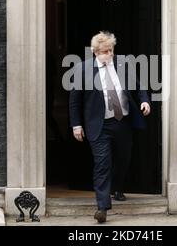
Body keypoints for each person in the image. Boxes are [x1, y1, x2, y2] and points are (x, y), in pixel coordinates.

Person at [69, 31, 151, 224]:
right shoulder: (83, 70)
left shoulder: (123, 63)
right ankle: (102, 207)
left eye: (111, 50)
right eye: (105, 51)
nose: (109, 55)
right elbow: (75, 101)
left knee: (124, 158)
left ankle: (118, 186)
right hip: (99, 125)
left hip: (122, 122)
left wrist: (145, 101)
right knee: (102, 163)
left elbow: (139, 87)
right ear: (95, 52)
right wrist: (76, 125)